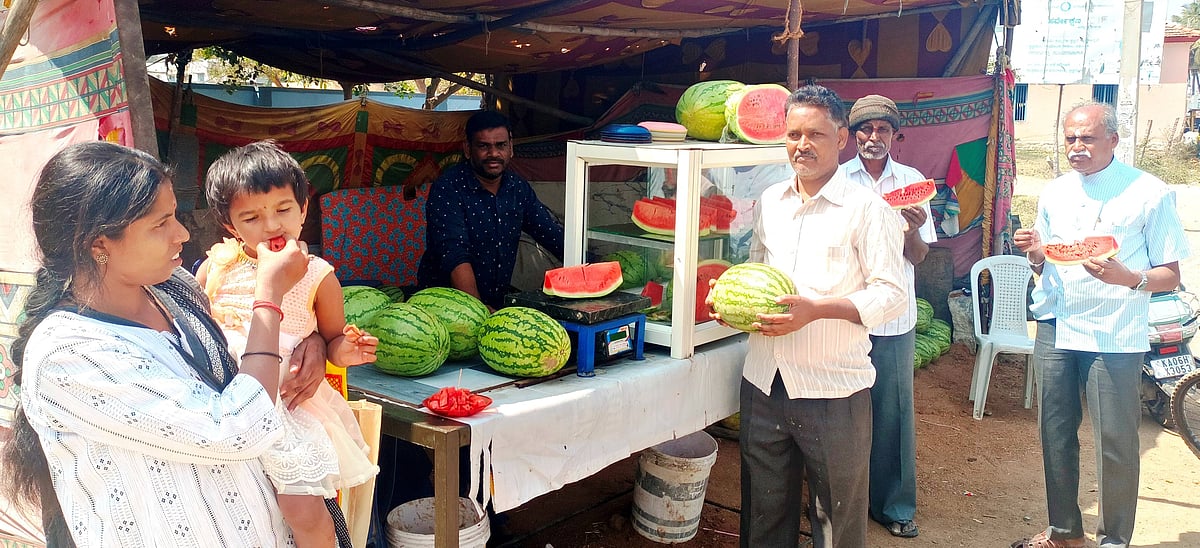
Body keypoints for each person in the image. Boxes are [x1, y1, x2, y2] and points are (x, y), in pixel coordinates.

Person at [0, 141, 327, 547]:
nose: (183, 234)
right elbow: (235, 429)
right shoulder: (68, 353)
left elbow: (242, 354)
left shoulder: (175, 289)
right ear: (98, 245)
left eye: (174, 216)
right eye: (161, 224)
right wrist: (269, 298)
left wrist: (313, 338)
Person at [717, 84, 907, 548]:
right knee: (763, 513)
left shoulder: (869, 210)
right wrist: (732, 305)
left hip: (833, 388)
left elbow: (892, 294)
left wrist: (817, 311)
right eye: (793, 134)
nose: (802, 145)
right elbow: (758, 270)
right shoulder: (770, 202)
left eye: (816, 135)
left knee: (836, 519)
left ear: (841, 138)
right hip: (764, 381)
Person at [1011, 102, 1189, 548]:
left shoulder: (1149, 192)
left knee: (1115, 440)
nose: (1076, 147)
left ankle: (1114, 540)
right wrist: (1034, 251)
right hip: (1056, 322)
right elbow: (1044, 260)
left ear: (1113, 139)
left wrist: (1128, 278)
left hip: (1115, 330)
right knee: (1055, 431)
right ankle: (1065, 533)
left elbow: (1171, 273)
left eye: (1086, 138)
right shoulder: (1054, 191)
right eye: (1070, 138)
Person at [196, 141, 381, 548]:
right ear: (229, 225)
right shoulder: (215, 267)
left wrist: (344, 352)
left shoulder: (318, 275)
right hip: (227, 404)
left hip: (287, 408)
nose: (272, 225)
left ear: (304, 208)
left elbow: (333, 339)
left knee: (302, 508)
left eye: (283, 209)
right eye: (251, 216)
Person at [838, 94, 936, 539]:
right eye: (865, 129)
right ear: (851, 135)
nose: (873, 137)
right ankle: (837, 504)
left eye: (882, 130)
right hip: (846, 315)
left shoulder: (913, 181)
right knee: (839, 415)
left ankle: (894, 506)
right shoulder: (837, 181)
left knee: (893, 415)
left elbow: (918, 256)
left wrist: (912, 230)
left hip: (894, 320)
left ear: (895, 136)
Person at [418, 110, 565, 310]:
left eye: (501, 145)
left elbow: (550, 233)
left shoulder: (517, 188)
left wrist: (595, 264)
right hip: (443, 308)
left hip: (496, 304)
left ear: (511, 148)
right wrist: (478, 310)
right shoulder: (449, 187)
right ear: (468, 149)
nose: (494, 154)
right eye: (483, 146)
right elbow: (454, 254)